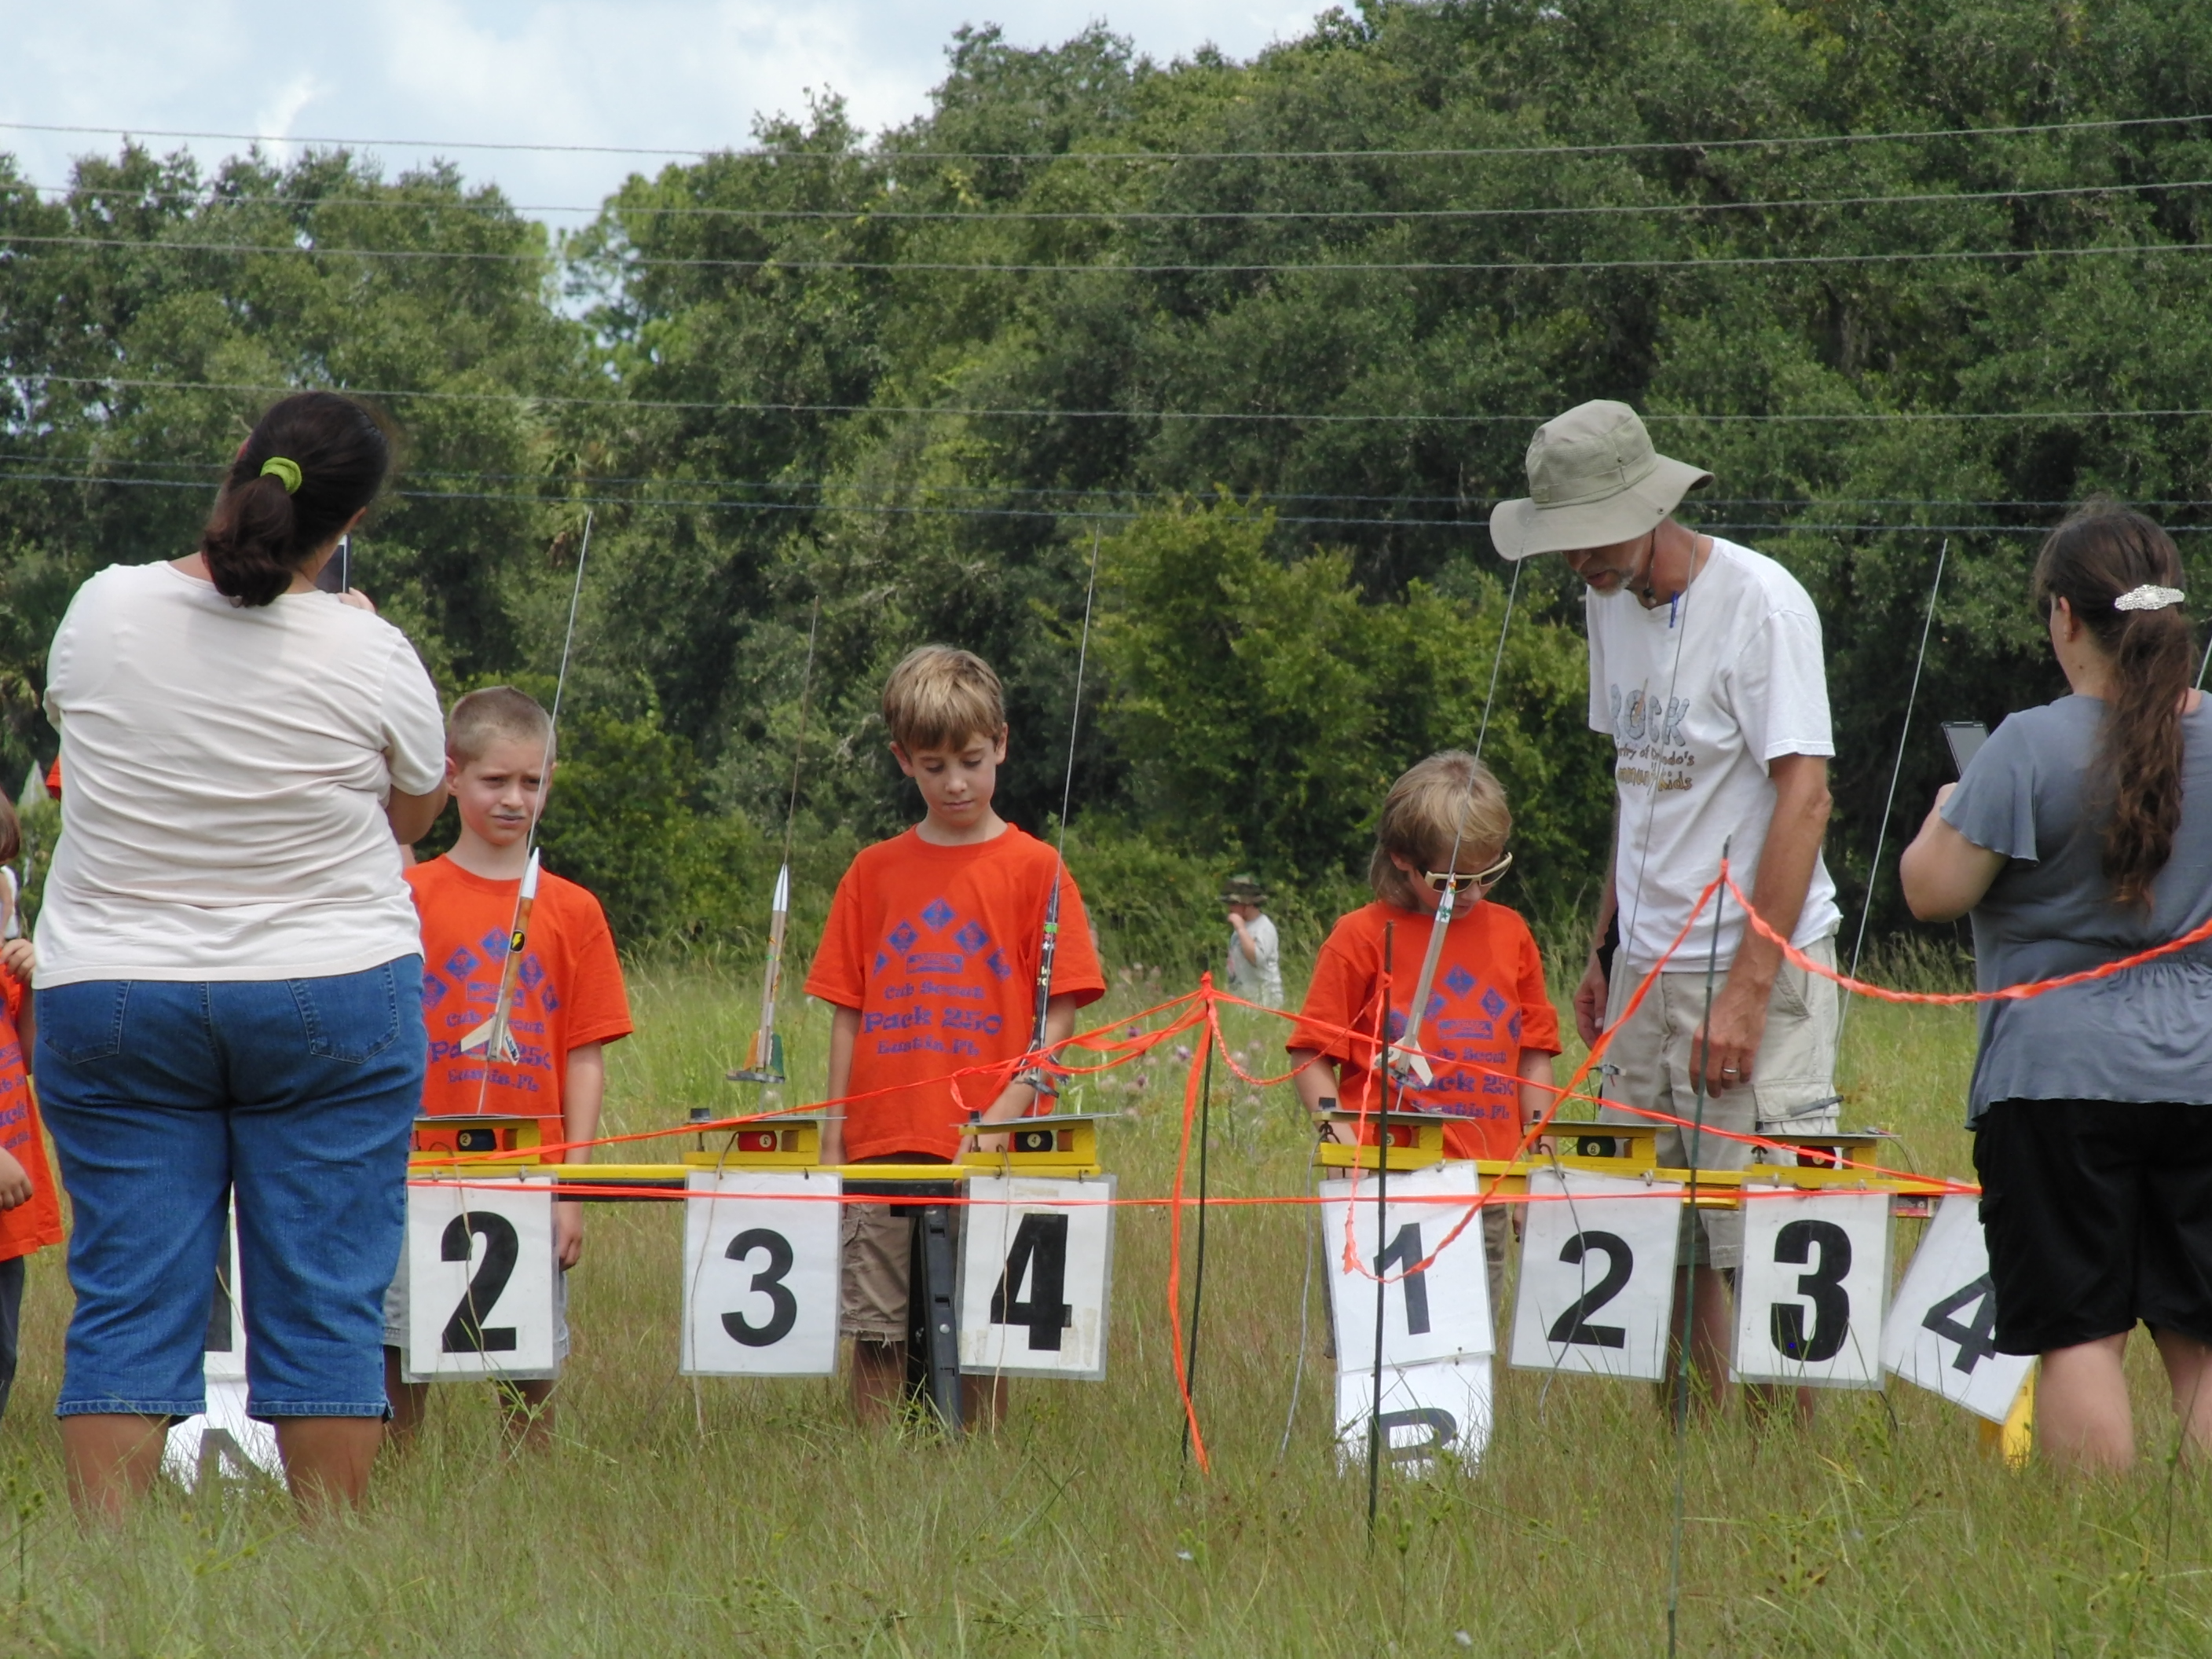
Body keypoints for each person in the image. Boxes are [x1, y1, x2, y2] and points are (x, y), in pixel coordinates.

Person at [34, 392, 448, 1518]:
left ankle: (107, 1566)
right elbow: (414, 817)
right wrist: (350, 630)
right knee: (326, 1299)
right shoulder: (370, 648)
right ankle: (330, 1560)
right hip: (332, 986)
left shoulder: (101, 609)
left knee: (126, 1297)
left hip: (113, 988)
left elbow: (91, 743)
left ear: (239, 460)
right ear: (353, 519)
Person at [1490, 399, 1840, 1414]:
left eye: (1591, 537)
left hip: (1753, 969)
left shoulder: (1765, 607)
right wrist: (1606, 947)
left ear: (1649, 507)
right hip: (1645, 971)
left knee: (1763, 1237)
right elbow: (1636, 784)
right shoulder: (1606, 600)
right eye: (1562, 543)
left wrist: (1749, 988)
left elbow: (1805, 797)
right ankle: (1688, 1452)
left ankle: (1780, 1474)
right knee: (1658, 1239)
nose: (1576, 563)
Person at [1900, 503, 2212, 1473]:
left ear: (2064, 617)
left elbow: (1931, 892)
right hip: (2202, 1072)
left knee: (2079, 1333)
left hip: (2052, 1079)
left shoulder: (2026, 745)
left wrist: (1948, 812)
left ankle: (2097, 1540)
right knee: (2200, 1337)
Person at [805, 646, 1106, 1426]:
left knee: (983, 1334)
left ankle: (977, 1470)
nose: (956, 783)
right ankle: (873, 1471)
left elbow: (1060, 1014)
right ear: (902, 760)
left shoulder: (1038, 869)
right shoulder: (872, 872)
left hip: (990, 1143)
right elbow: (847, 1010)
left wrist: (1007, 1109)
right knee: (876, 1332)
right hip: (881, 1138)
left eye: (971, 761)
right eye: (934, 766)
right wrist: (834, 1136)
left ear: (1001, 744)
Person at [383, 687, 632, 1451]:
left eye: (531, 781)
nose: (514, 799)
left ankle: (530, 1488)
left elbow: (584, 1056)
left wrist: (572, 1189)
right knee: (398, 1348)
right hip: (414, 1168)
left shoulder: (575, 910)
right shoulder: (404, 898)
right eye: (495, 780)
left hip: (529, 1171)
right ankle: (395, 1490)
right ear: (451, 776)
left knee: (526, 1364)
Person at [1288, 753, 1559, 1310]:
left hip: (1484, 1186)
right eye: (1452, 880)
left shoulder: (1512, 934)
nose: (1472, 894)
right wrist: (1339, 1141)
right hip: (1384, 1185)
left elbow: (1534, 1057)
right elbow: (1310, 1054)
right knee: (1376, 1344)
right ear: (1402, 858)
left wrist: (1540, 1165)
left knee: (1468, 1345)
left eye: (1488, 875)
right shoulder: (1358, 937)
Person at [0, 797, 63, 1421]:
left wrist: (38, 983)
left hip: (6, 1212)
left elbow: (31, 1056)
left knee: (3, 1352)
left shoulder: (4, 973)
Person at [1221, 875, 1284, 1007]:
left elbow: (1256, 958)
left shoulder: (1264, 927)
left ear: (1248, 904)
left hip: (1264, 1002)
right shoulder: (1240, 929)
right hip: (1242, 1002)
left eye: (1234, 903)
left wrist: (1241, 929)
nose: (1230, 908)